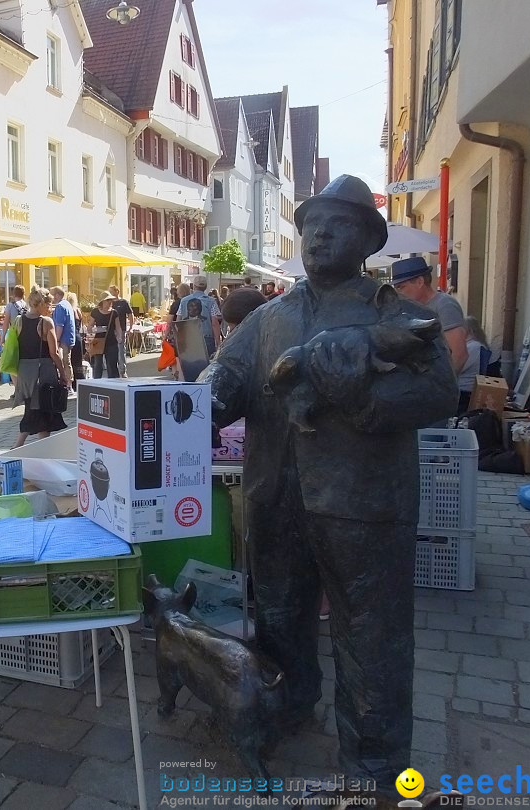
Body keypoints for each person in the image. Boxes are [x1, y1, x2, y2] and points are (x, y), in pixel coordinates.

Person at [203, 175, 457, 799]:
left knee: (372, 635)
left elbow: (437, 394)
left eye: (337, 224)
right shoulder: (268, 317)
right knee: (282, 617)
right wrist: (201, 397)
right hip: (276, 496)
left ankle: (375, 763)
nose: (318, 234)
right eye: (311, 223)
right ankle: (290, 703)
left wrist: (360, 395)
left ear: (368, 240)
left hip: (363, 504)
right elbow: (223, 375)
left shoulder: (398, 316)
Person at [12, 288, 70, 448]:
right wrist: (63, 373)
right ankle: (18, 446)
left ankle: (44, 446)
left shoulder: (19, 320)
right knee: (39, 407)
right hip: (42, 370)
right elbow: (53, 352)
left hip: (24, 370)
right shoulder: (45, 322)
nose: (51, 309)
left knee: (39, 408)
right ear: (42, 304)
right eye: (49, 305)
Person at [391, 256, 467, 374]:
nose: (397, 293)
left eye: (401, 287)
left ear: (420, 282)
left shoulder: (444, 305)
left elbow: (459, 354)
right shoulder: (412, 308)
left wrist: (442, 385)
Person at [177, 275, 223, 356]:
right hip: (206, 337)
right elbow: (215, 323)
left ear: (194, 286)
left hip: (188, 338)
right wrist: (218, 342)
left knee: (190, 364)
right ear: (205, 287)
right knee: (207, 364)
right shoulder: (211, 301)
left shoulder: (183, 301)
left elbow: (178, 320)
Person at [456, 315, 492, 415]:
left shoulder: (473, 347)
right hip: (467, 390)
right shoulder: (478, 346)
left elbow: (456, 367)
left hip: (464, 391)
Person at [49, 286, 77, 385]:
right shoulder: (67, 304)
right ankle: (68, 383)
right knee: (67, 362)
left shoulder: (60, 307)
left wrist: (56, 340)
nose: (50, 297)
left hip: (63, 339)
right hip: (69, 338)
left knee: (64, 362)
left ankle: (68, 384)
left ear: (57, 295)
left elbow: (59, 326)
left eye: (51, 294)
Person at [89, 293, 121, 379]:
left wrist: (119, 337)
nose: (110, 302)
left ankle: (113, 384)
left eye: (111, 300)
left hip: (111, 341)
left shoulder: (114, 313)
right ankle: (97, 384)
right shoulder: (95, 312)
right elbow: (90, 326)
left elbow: (118, 327)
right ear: (102, 301)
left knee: (112, 364)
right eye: (108, 300)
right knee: (98, 365)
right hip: (98, 340)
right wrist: (96, 330)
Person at [108, 285, 134, 377]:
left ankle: (122, 371)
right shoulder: (109, 303)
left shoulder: (123, 302)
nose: (110, 294)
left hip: (122, 330)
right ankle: (112, 370)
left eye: (111, 291)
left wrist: (130, 327)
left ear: (117, 291)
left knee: (121, 350)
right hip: (110, 330)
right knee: (111, 350)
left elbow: (130, 315)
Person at [66, 291, 86, 390]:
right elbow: (81, 325)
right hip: (78, 337)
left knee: (70, 362)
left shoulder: (68, 310)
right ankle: (81, 383)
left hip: (71, 337)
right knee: (78, 363)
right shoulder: (78, 311)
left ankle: (73, 385)